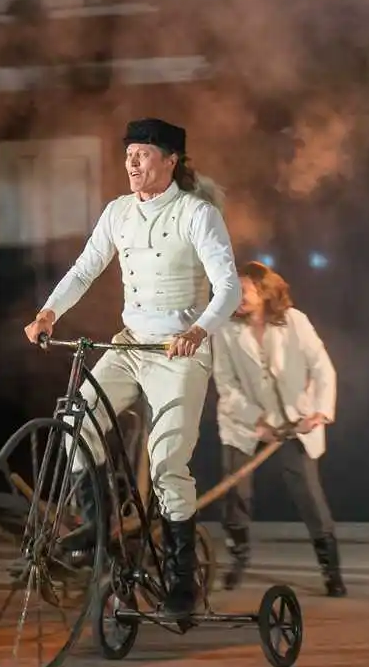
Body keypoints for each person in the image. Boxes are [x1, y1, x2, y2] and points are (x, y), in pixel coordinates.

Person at [23, 117, 241, 616]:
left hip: (178, 355)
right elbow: (85, 268)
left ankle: (182, 582)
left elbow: (229, 288)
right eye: (128, 155)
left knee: (167, 463)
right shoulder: (118, 212)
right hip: (129, 346)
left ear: (170, 161)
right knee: (77, 418)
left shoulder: (197, 214)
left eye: (142, 154)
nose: (132, 163)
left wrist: (197, 331)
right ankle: (99, 527)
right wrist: (49, 313)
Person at [210, 261, 344, 596]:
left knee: (309, 495)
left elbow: (322, 368)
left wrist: (319, 411)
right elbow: (227, 385)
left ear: (264, 290)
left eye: (244, 290)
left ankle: (331, 571)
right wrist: (258, 421)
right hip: (245, 424)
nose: (237, 297)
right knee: (236, 496)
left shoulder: (294, 321)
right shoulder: (225, 330)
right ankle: (238, 559)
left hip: (295, 422)